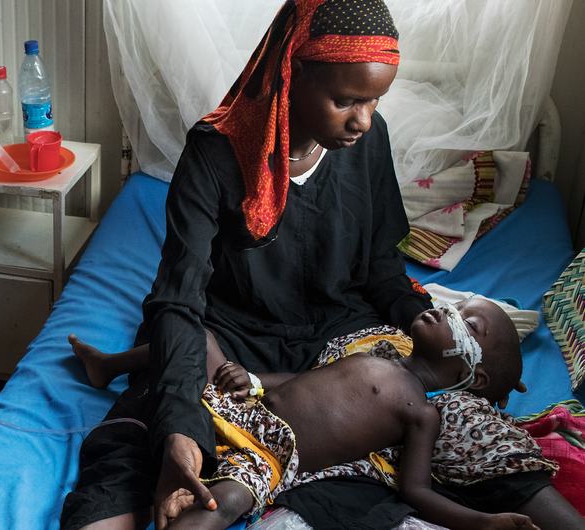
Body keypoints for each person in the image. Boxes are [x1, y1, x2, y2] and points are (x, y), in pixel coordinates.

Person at [59, 1, 572, 529]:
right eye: (347, 100)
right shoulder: (215, 153)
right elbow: (179, 300)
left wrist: (426, 326)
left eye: (375, 101)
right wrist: (181, 431)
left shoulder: (370, 141)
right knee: (145, 434)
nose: (363, 121)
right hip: (231, 335)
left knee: (458, 442)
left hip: (341, 334)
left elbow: (380, 270)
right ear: (293, 71)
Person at [169, 298, 545, 530]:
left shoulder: (421, 413)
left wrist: (481, 522)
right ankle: (109, 366)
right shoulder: (375, 352)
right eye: (456, 305)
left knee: (222, 505)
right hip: (247, 411)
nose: (445, 310)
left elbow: (417, 491)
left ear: (473, 376)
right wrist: (254, 380)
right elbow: (305, 381)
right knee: (195, 337)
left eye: (468, 323)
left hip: (270, 456)